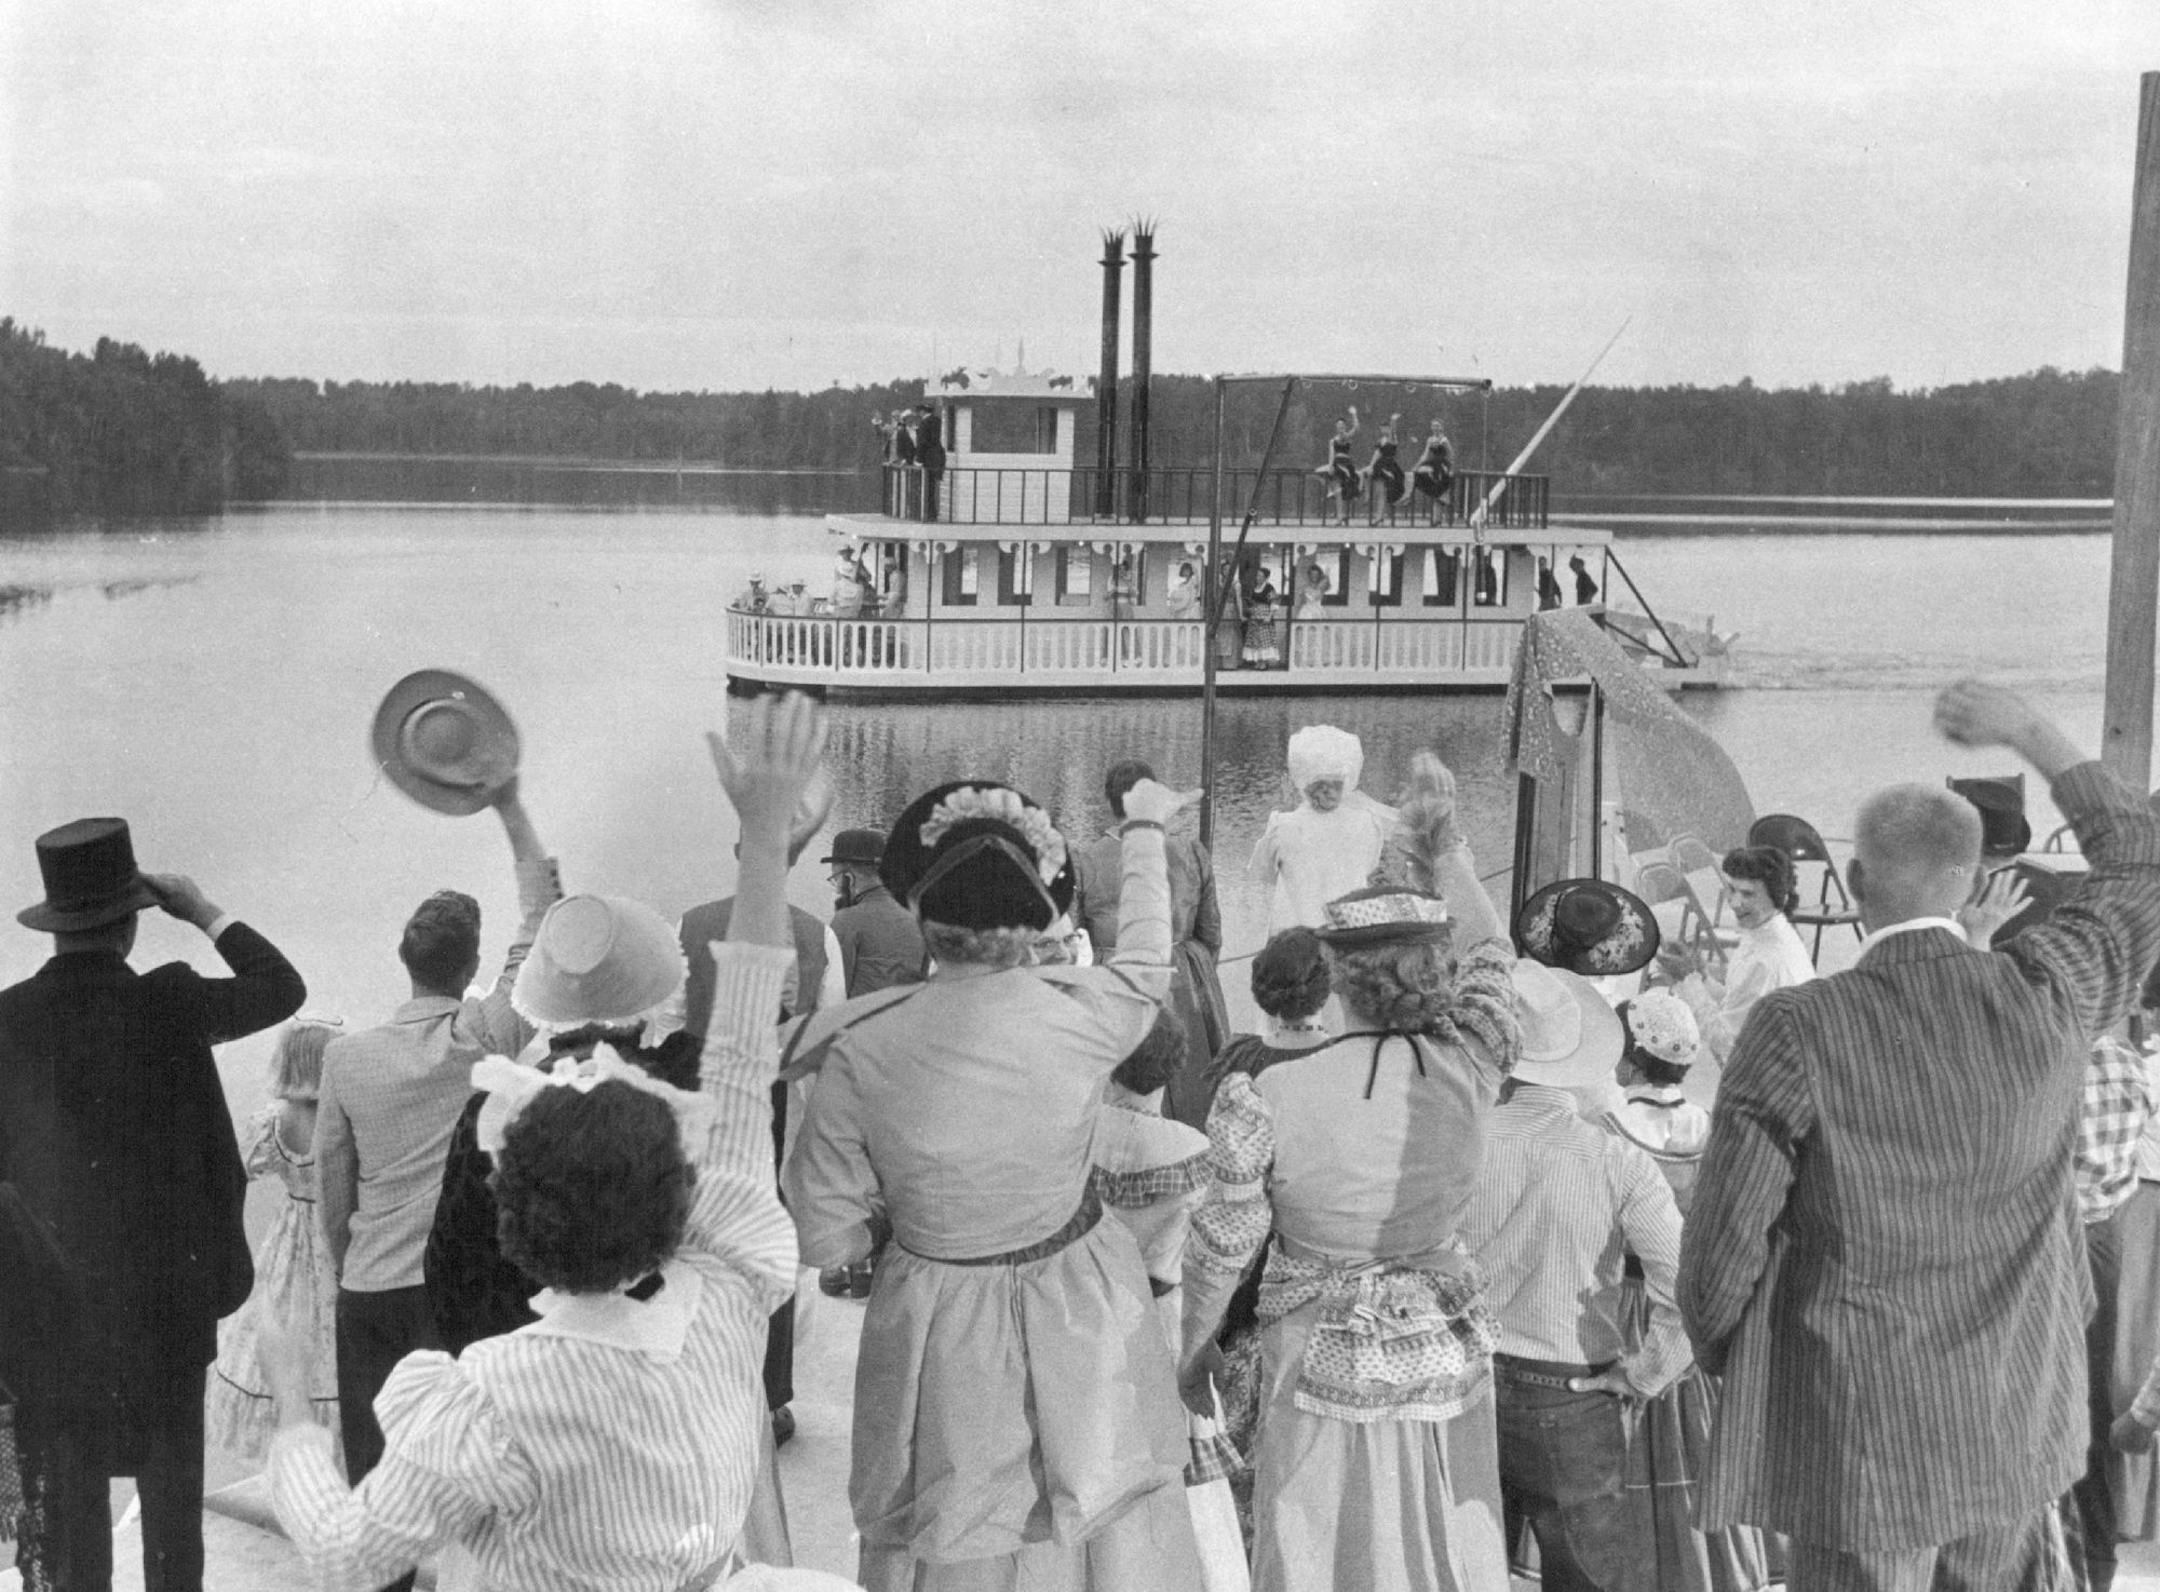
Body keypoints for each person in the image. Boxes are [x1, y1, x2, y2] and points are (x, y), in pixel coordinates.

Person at [261, 693, 825, 1592]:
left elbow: (344, 1556)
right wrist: (765, 847)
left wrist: (292, 1404)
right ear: (678, 1198)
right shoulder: (733, 1293)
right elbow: (745, 1049)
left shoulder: (493, 1397)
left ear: (513, 1222)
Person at [1678, 681, 2160, 1590]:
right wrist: (2029, 733)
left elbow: (1722, 1242)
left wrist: (1728, 1356)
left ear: (1855, 885)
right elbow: (2140, 860)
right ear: (1974, 882)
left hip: (1858, 1429)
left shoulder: (1798, 1026)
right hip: (2016, 1419)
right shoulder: (2048, 1000)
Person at [782, 773, 1206, 1589]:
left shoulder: (858, 1047)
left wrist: (895, 1218)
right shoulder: (1090, 1010)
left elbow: (820, 1236)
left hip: (938, 1315)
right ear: (1039, 923)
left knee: (954, 1535)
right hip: (1082, 1299)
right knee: (1098, 1525)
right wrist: (1145, 829)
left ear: (919, 919)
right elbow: (1150, 958)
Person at [1181, 867, 1518, 1590]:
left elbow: (1219, 1250)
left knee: (1318, 1543)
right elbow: (1494, 948)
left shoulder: (1269, 1093)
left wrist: (1191, 1349)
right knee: (1441, 1534)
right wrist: (1445, 848)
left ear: (1335, 973)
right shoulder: (1474, 1064)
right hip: (1445, 1345)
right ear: (1435, 971)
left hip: (1312, 1353)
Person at [0, 817, 306, 1592]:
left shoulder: (6, 1019)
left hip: (48, 1316)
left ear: (57, 923)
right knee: (172, 1515)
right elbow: (283, 989)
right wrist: (203, 910)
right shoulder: (170, 1002)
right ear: (131, 922)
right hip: (166, 1307)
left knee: (69, 1525)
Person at [315, 781, 559, 1592]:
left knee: (373, 1477)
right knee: (475, 1469)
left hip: (371, 1285)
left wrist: (343, 1256)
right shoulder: (481, 1035)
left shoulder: (345, 1058)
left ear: (404, 960)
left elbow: (331, 1173)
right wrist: (510, 809)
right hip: (458, 1288)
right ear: (471, 966)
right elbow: (544, 926)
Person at [1458, 961, 1689, 1592]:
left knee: (1465, 1571)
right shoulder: (1619, 1161)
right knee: (1587, 1579)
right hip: (1572, 1393)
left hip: (1461, 1389)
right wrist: (1644, 1374)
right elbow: (1687, 1289)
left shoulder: (1459, 1143)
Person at [678, 782, 845, 1448]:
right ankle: (771, 1399)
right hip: (776, 1109)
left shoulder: (688, 925)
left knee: (698, 1240)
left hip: (699, 1105)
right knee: (768, 1239)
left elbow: (664, 1028)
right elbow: (829, 1041)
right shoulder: (816, 934)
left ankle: (708, 1386)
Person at [207, 1018, 344, 1462]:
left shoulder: (275, 1122)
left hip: (291, 1232)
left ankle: (293, 1441)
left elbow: (240, 1169)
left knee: (284, 1321)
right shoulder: (341, 1118)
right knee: (333, 1334)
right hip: (337, 1231)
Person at [1073, 758, 1228, 1128]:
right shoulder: (1191, 852)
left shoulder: (1085, 860)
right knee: (1193, 1078)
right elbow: (1212, 933)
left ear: (1109, 803)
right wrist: (1201, 972)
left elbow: (1075, 943)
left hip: (1116, 978)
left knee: (1122, 1086)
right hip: (1186, 974)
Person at [1667, 844, 1818, 1060]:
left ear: (1778, 898)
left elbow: (1727, 1042)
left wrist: (1688, 981)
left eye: (1748, 894)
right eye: (1731, 889)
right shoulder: (1764, 932)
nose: (1735, 903)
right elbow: (1736, 1001)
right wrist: (1702, 976)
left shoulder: (1766, 960)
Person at [1247, 724, 1394, 935]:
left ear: (1303, 781)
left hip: (1294, 936)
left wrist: (1285, 810)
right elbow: (1368, 867)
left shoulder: (1283, 824)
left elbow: (1260, 874)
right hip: (1347, 932)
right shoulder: (1367, 822)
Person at [1313, 405, 1360, 525]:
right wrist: (1330, 466)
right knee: (1319, 474)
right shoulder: (1332, 440)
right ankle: (1331, 492)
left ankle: (1341, 515)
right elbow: (1331, 454)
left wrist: (1354, 414)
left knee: (1344, 492)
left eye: (1342, 426)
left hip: (1346, 465)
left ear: (1344, 427)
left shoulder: (1346, 437)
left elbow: (1356, 428)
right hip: (1336, 464)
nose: (1340, 427)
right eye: (1338, 426)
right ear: (1336, 427)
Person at [1365, 412, 1409, 524]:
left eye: (1386, 428)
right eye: (1382, 428)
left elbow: (1393, 432)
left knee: (1390, 490)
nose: (1384, 430)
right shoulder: (1380, 440)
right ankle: (1378, 515)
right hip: (1380, 465)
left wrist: (1393, 421)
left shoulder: (1393, 437)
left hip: (1390, 464)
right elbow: (1377, 453)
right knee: (1379, 492)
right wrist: (1371, 465)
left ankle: (1388, 511)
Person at [1411, 419, 1455, 521]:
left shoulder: (1444, 440)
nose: (1435, 428)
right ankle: (1436, 516)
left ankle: (1439, 517)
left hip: (1442, 464)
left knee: (1441, 488)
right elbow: (1425, 455)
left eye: (1437, 426)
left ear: (1441, 427)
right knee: (1421, 476)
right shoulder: (1430, 440)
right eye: (1433, 426)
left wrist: (1451, 469)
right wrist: (1417, 466)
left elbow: (1451, 455)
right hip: (1432, 463)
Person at [914, 404, 945, 523]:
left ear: (922, 411)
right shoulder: (937, 421)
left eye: (919, 412)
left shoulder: (924, 423)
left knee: (926, 487)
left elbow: (922, 443)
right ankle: (933, 513)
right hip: (938, 458)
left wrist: (919, 459)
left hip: (928, 459)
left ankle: (928, 514)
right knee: (933, 487)